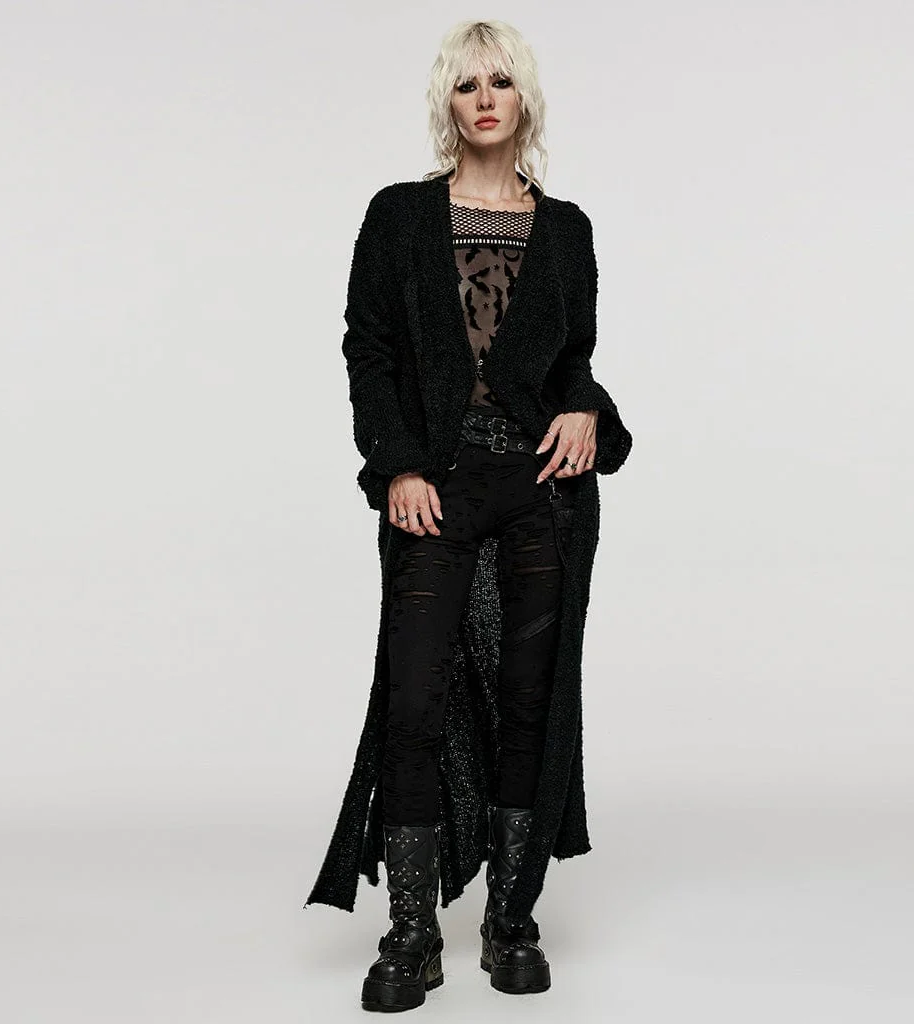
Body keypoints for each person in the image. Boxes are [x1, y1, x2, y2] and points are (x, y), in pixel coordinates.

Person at [303, 19, 633, 1013]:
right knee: (415, 700)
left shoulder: (566, 229)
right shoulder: (400, 216)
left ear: (523, 98)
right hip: (436, 485)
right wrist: (396, 463)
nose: (484, 99)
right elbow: (369, 350)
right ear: (448, 103)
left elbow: (572, 358)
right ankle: (412, 933)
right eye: (465, 84)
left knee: (530, 700)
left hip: (540, 491)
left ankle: (509, 920)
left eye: (500, 82)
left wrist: (585, 406)